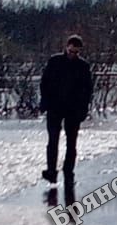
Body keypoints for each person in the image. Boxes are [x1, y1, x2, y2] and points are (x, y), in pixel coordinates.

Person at [39, 35, 93, 184]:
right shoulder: (55, 61)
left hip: (73, 110)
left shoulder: (83, 66)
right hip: (55, 107)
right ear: (66, 47)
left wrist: (84, 108)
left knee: (71, 142)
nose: (73, 55)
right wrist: (44, 102)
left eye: (76, 52)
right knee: (53, 141)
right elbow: (44, 83)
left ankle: (68, 171)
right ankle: (51, 171)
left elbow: (87, 90)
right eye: (71, 51)